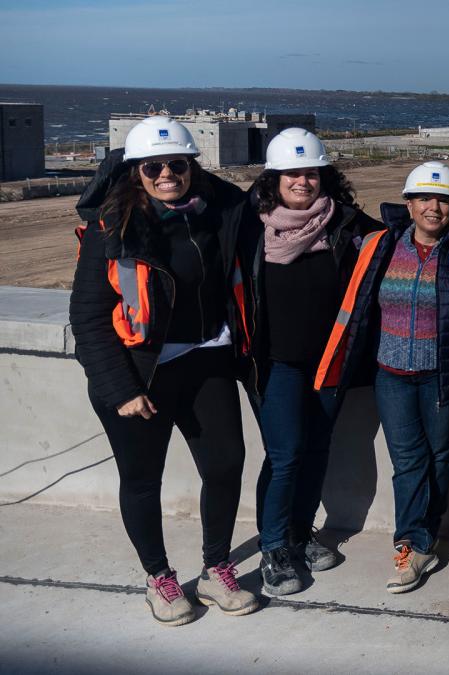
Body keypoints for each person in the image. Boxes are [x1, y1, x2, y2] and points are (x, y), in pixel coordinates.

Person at [69, 117, 258, 626]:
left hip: (207, 359)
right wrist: (121, 389)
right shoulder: (112, 227)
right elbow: (87, 316)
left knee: (224, 465)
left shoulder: (218, 210)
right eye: (153, 166)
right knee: (141, 479)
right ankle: (159, 577)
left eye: (178, 163)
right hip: (140, 375)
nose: (167, 174)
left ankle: (217, 567)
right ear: (136, 172)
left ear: (193, 166)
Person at [313, 161, 449, 593]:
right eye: (425, 198)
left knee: (441, 457)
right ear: (408, 204)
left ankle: (426, 535)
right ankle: (410, 543)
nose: (434, 207)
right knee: (408, 461)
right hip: (391, 376)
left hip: (441, 376)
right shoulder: (379, 246)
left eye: (444, 200)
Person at [243, 128, 383, 596]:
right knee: (285, 457)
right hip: (275, 361)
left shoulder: (343, 222)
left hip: (329, 362)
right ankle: (274, 548)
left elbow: (392, 241)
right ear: (274, 178)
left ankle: (301, 537)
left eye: (311, 172)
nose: (303, 181)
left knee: (317, 450)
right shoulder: (249, 225)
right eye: (292, 173)